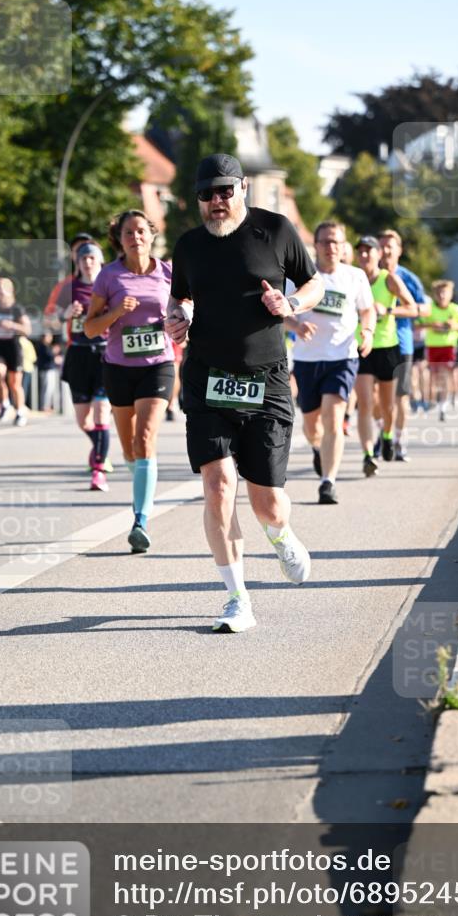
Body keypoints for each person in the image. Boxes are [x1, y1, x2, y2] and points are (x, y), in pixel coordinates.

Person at [165, 153, 324, 633]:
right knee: (217, 487)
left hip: (267, 378)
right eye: (206, 194)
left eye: (224, 191)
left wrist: (290, 301)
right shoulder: (189, 245)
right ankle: (237, 599)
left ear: (242, 189)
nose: (216, 201)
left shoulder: (274, 231)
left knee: (266, 502)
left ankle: (281, 535)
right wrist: (179, 318)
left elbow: (314, 283)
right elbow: (181, 296)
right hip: (207, 378)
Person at [84, 210, 176, 550]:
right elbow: (91, 328)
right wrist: (117, 311)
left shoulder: (168, 272)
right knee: (130, 448)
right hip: (119, 367)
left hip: (159, 364)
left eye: (140, 231)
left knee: (146, 436)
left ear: (151, 235)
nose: (135, 237)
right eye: (128, 232)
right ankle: (141, 482)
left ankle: (141, 520)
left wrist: (179, 319)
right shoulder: (109, 277)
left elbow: (188, 310)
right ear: (119, 239)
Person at [291, 220, 374, 503]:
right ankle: (317, 449)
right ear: (315, 245)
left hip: (342, 356)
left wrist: (368, 331)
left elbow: (367, 310)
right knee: (312, 425)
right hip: (306, 357)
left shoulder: (355, 276)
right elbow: (280, 310)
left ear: (344, 246)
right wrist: (295, 325)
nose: (331, 247)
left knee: (334, 418)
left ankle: (328, 482)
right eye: (325, 241)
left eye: (336, 242)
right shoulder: (299, 276)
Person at [354, 235, 416, 476]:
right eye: (361, 251)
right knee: (366, 404)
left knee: (389, 407)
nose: (365, 255)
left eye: (369, 251)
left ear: (379, 255)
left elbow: (412, 308)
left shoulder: (389, 279)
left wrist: (388, 310)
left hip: (388, 347)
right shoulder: (353, 278)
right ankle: (368, 455)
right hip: (361, 347)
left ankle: (388, 435)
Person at [57, 241, 112, 490]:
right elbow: (52, 317)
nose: (88, 263)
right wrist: (67, 313)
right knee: (83, 421)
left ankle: (98, 470)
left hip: (105, 353)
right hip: (78, 354)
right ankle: (99, 445)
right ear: (77, 264)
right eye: (83, 259)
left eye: (92, 258)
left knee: (101, 414)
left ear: (99, 261)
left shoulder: (111, 283)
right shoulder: (69, 287)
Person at [377, 229, 428, 460]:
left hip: (401, 343)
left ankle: (398, 440)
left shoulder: (408, 278)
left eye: (390, 246)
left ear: (399, 250)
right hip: (374, 343)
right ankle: (383, 432)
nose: (386, 250)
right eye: (382, 246)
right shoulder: (368, 275)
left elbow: (424, 308)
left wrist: (392, 311)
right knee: (375, 397)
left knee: (400, 397)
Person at [417, 280, 458, 421]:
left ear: (451, 294)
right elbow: (417, 325)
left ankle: (443, 404)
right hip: (432, 346)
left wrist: (454, 325)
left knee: (445, 374)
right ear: (434, 294)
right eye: (439, 293)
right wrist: (431, 325)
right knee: (434, 376)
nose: (442, 295)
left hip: (449, 346)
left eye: (445, 292)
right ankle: (435, 399)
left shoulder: (456, 309)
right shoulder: (429, 308)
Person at [0, 277, 31, 426]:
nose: (0, 291)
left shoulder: (17, 309)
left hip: (13, 347)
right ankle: (4, 404)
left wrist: (12, 325)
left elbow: (27, 330)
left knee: (15, 384)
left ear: (10, 290)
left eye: (3, 288)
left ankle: (20, 411)